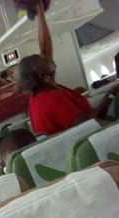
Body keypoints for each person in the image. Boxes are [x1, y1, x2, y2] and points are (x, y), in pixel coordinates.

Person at [17, 1, 115, 135]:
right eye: (44, 61)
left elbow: (45, 47)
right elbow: (90, 124)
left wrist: (41, 13)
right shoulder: (53, 99)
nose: (48, 59)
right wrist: (110, 94)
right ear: (43, 76)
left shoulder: (37, 97)